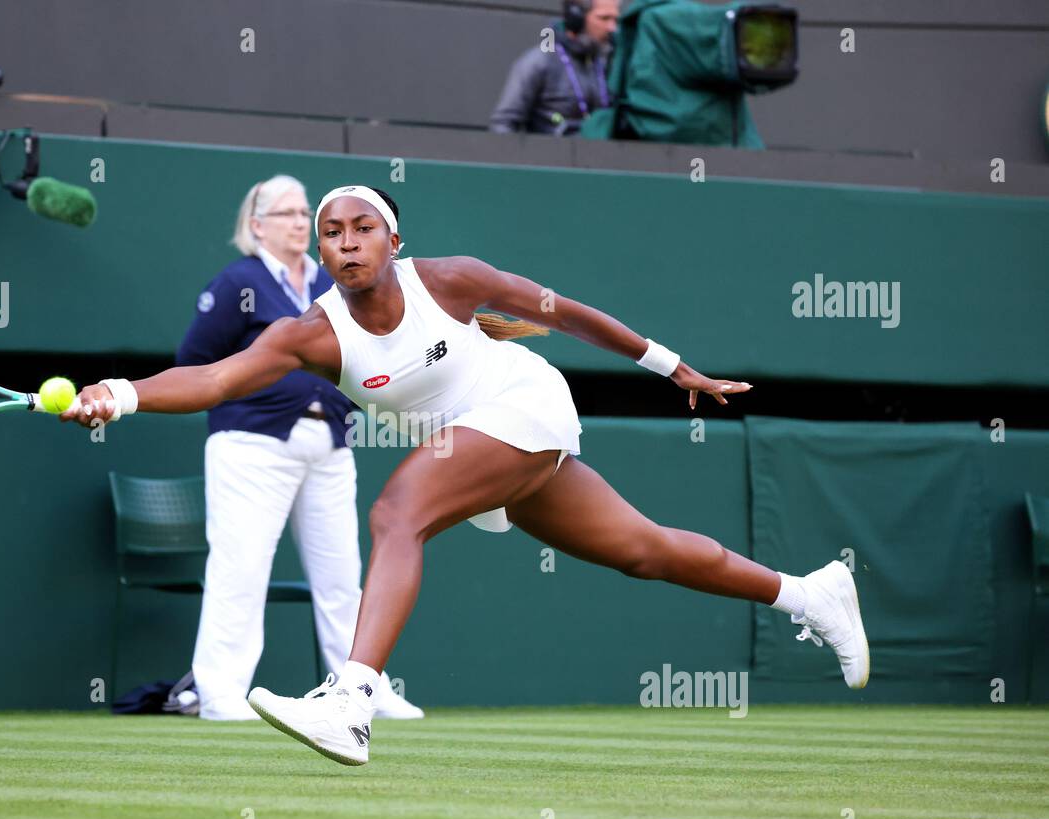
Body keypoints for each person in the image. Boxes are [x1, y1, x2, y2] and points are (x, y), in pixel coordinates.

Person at [64, 184, 870, 766]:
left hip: (522, 404)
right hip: (480, 446)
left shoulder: (449, 279)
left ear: (393, 241)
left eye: (363, 228)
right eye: (332, 231)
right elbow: (213, 380)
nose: (346, 242)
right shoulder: (311, 332)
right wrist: (120, 394)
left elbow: (563, 311)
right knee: (643, 548)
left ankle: (351, 701)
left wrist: (671, 367)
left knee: (396, 512)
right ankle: (808, 593)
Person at [173, 174, 424, 721]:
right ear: (257, 224)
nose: (297, 221)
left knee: (342, 576)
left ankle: (362, 689)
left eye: (302, 213)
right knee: (241, 567)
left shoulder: (333, 284)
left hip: (329, 442)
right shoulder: (237, 281)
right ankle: (219, 693)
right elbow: (196, 365)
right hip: (250, 443)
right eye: (285, 213)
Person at [490, 0, 620, 136]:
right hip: (549, 155)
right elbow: (502, 124)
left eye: (615, 19)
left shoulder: (605, 65)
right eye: (604, 18)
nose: (612, 28)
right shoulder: (540, 61)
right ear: (576, 19)